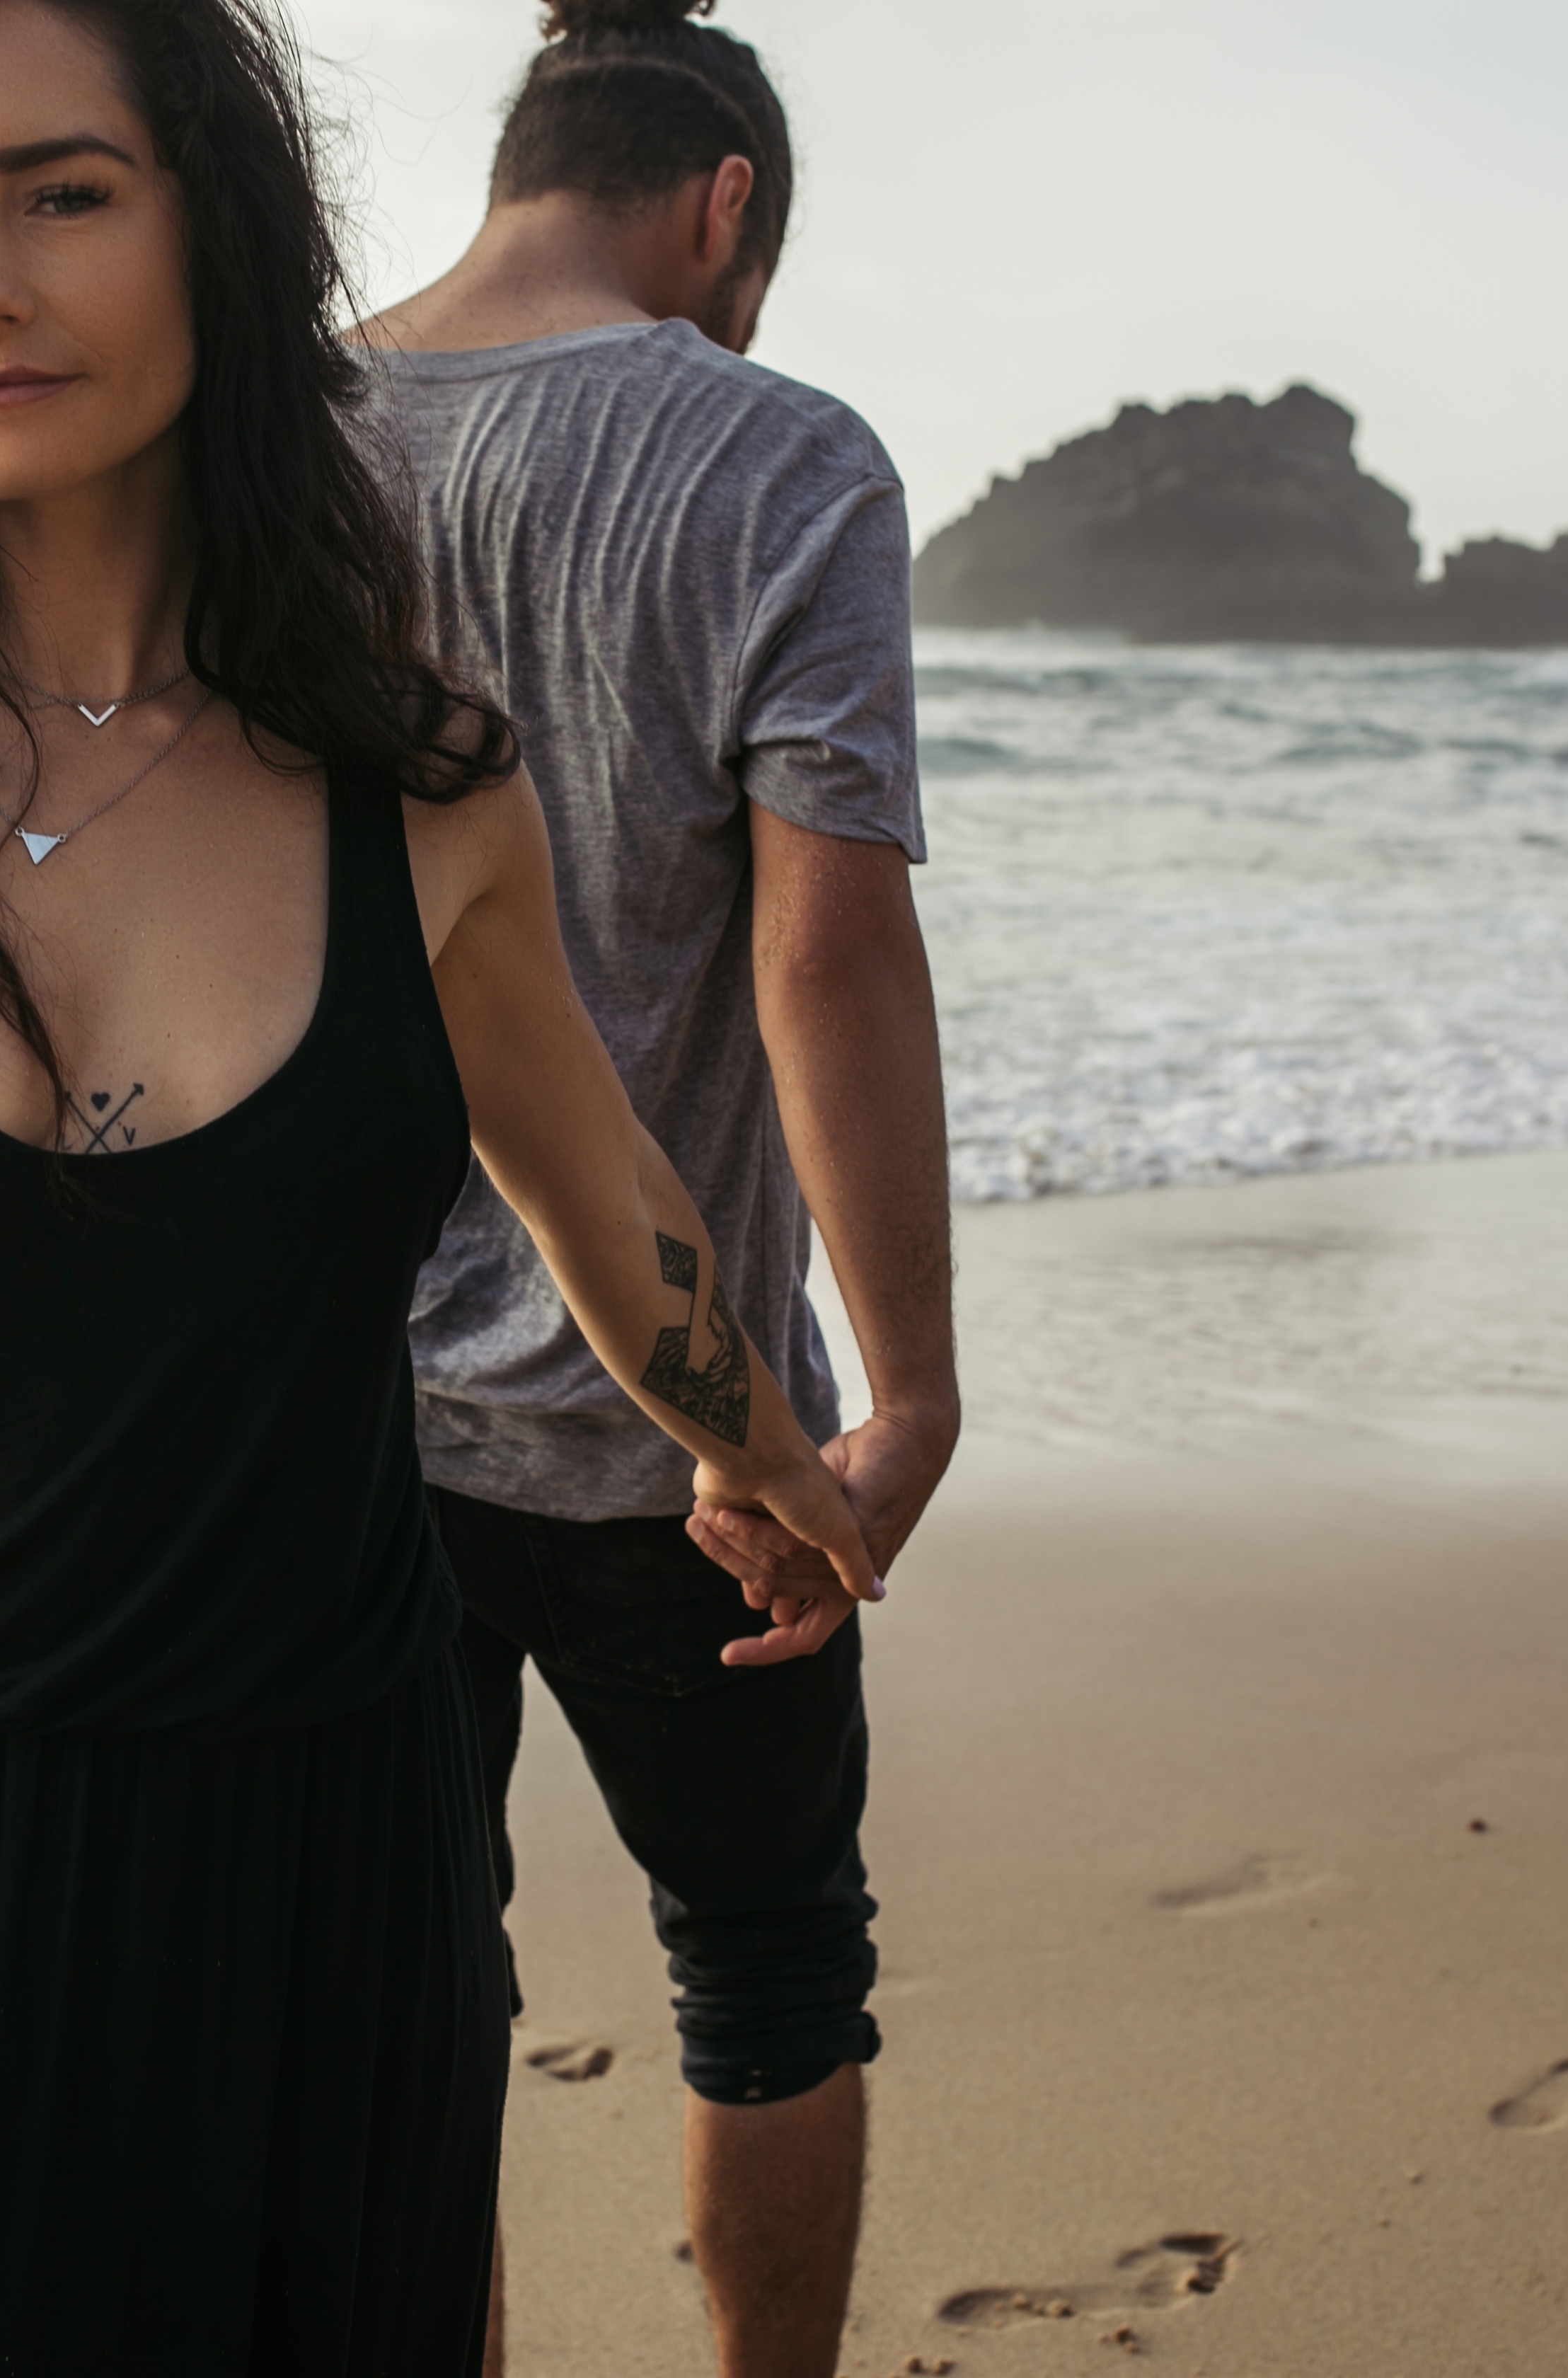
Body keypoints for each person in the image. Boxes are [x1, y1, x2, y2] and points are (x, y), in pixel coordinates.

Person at [0, 1, 879, 2372]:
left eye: (62, 192)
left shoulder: (415, 780)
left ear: (213, 226)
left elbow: (608, 1200)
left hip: (332, 1885)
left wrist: (772, 1454)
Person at [354, 5, 957, 2373]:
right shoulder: (783, 457)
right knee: (773, 1962)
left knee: (405, 1998)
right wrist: (894, 1401)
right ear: (722, 210)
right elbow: (828, 941)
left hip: (330, 1416)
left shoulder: (262, 436)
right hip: (693, 1446)